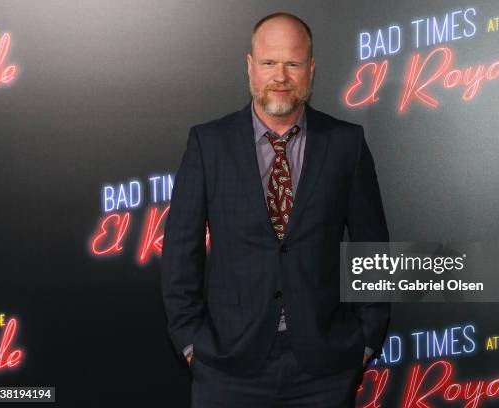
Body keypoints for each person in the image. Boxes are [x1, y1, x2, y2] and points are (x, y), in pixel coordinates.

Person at [162, 12, 390, 407]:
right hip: (227, 367)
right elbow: (181, 254)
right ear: (250, 66)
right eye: (269, 62)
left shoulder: (346, 144)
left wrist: (365, 341)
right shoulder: (207, 144)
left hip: (324, 369)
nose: (280, 76)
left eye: (293, 63)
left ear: (311, 69)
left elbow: (374, 249)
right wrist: (191, 344)